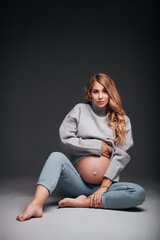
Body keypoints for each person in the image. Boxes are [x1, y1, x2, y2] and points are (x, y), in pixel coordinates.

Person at [17, 73, 146, 221]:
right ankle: (36, 204)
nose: (100, 96)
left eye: (105, 91)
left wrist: (104, 187)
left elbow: (120, 156)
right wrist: (97, 146)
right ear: (89, 93)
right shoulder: (80, 110)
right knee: (56, 157)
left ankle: (85, 202)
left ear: (111, 93)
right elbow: (66, 138)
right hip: (77, 184)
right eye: (96, 91)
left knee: (138, 193)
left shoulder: (122, 120)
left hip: (106, 188)